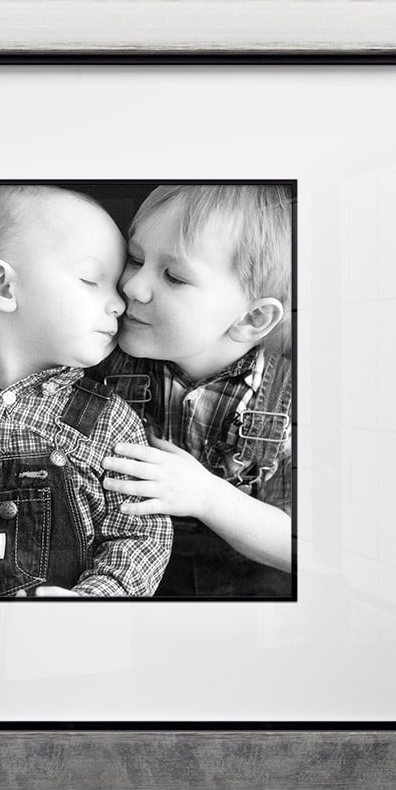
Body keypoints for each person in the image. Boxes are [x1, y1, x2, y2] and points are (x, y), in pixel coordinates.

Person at [90, 184, 293, 597]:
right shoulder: (102, 357)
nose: (132, 287)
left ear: (252, 317)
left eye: (174, 277)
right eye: (135, 259)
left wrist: (205, 496)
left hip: (243, 582)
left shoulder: (290, 400)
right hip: (118, 563)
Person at [0, 185, 172, 598]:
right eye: (91, 280)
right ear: (3, 287)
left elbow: (139, 536)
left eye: (116, 286)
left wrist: (94, 599)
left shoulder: (107, 419)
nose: (120, 304)